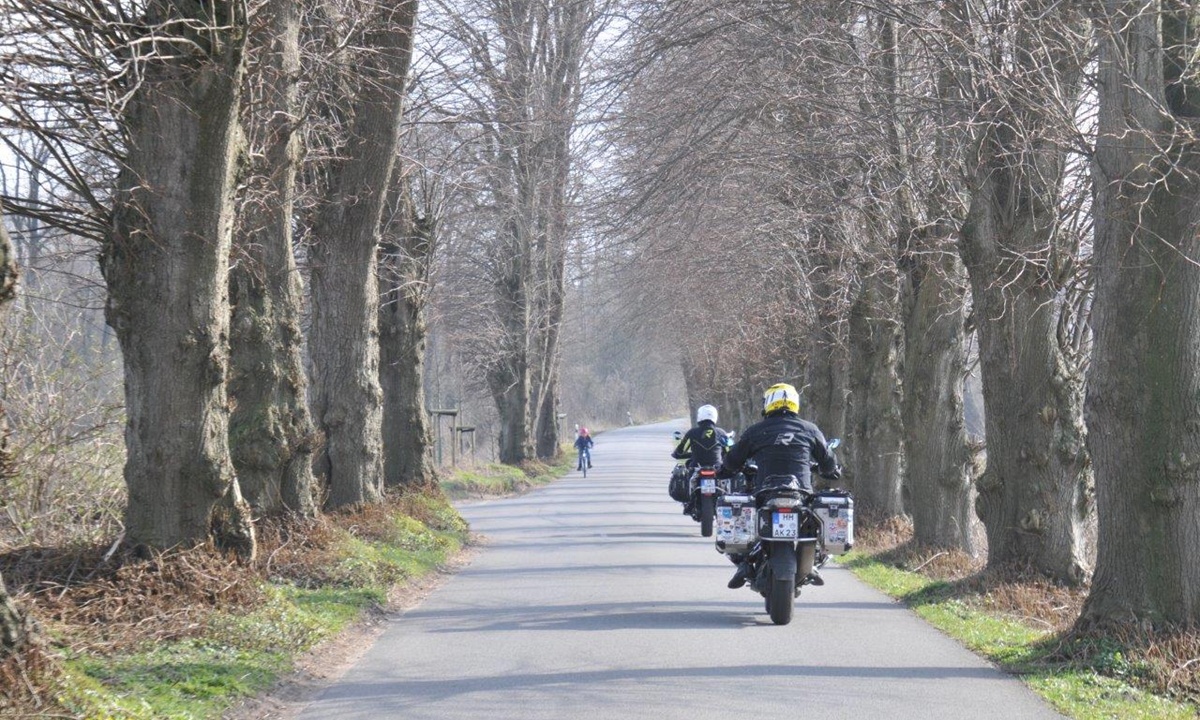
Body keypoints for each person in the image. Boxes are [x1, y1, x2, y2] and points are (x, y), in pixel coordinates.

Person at [719, 382, 840, 589]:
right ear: (795, 403)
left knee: (742, 517)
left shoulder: (755, 431)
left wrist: (726, 470)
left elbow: (732, 462)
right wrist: (831, 470)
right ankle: (814, 561)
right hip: (800, 493)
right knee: (812, 525)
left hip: (765, 492)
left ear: (768, 403)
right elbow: (829, 463)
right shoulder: (810, 430)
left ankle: (743, 564)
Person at [671, 405, 731, 514]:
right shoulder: (722, 433)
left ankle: (689, 502)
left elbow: (680, 451)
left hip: (696, 467)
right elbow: (730, 450)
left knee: (688, 475)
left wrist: (676, 454)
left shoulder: (692, 433)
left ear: (699, 417)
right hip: (717, 468)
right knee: (726, 482)